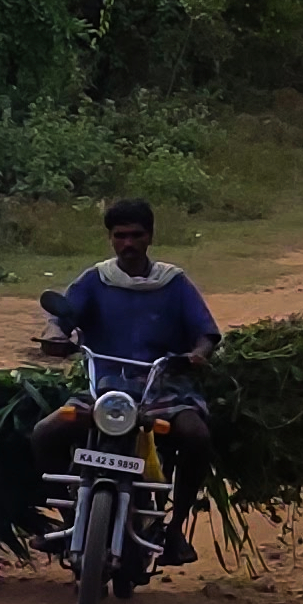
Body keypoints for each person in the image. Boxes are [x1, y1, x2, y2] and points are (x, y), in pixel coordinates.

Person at [37, 197, 221, 564]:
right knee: (45, 432)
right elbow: (61, 319)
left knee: (197, 436)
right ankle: (70, 520)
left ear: (150, 236)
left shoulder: (173, 282)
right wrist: (55, 334)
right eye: (120, 236)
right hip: (105, 388)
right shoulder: (96, 279)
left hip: (162, 388)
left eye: (136, 235)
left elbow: (207, 333)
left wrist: (198, 353)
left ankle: (175, 530)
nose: (128, 244)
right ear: (110, 239)